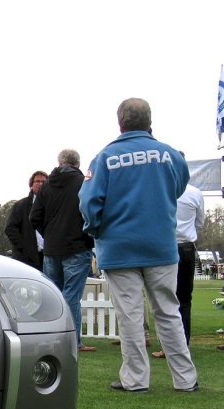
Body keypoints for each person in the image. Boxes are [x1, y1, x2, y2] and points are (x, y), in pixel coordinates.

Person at [79, 97, 198, 393]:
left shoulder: (105, 158)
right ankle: (185, 379)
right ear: (150, 122)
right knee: (168, 312)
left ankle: (135, 380)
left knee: (130, 316)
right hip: (161, 245)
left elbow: (88, 201)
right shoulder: (170, 155)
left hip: (118, 248)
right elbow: (180, 186)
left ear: (120, 122)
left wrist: (95, 229)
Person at [30, 149, 96, 352]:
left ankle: (52, 339)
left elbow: (35, 217)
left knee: (54, 297)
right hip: (77, 247)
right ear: (77, 163)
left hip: (52, 249)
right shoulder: (84, 183)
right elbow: (92, 210)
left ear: (59, 163)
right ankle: (72, 342)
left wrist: (49, 234)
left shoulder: (46, 186)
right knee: (71, 297)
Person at [152, 170, 204, 358]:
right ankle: (183, 345)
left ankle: (167, 346)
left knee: (165, 299)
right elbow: (200, 223)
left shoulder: (159, 191)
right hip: (187, 247)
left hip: (165, 247)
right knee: (184, 300)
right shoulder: (195, 193)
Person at [5, 171, 47, 271]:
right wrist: (25, 248)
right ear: (31, 185)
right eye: (37, 181)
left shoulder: (53, 205)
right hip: (26, 259)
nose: (40, 184)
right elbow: (10, 229)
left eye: (44, 181)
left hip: (47, 257)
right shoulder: (21, 205)